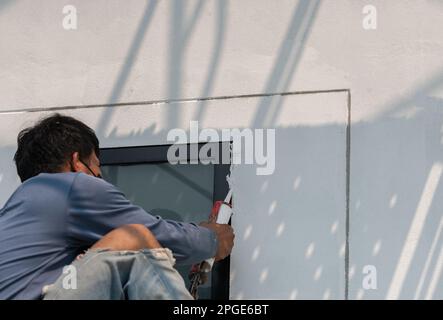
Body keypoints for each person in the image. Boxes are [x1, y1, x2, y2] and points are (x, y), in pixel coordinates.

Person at [0, 114, 235, 300]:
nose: (100, 180)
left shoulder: (19, 210)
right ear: (76, 162)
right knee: (132, 238)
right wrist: (212, 239)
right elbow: (156, 235)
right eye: (97, 171)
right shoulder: (71, 187)